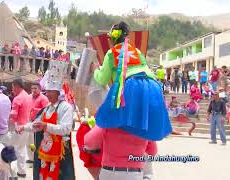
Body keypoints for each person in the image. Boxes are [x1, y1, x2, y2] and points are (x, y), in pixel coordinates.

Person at [89, 21, 171, 179]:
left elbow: (102, 78)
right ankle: (145, 166)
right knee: (142, 126)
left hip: (131, 86)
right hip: (153, 87)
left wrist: (95, 70)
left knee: (115, 120)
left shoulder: (112, 53)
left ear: (113, 38)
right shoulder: (137, 51)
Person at [17, 62, 75, 180]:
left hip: (60, 153)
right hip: (46, 150)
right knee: (43, 175)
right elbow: (37, 124)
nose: (47, 94)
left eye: (50, 92)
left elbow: (66, 129)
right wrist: (24, 127)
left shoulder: (66, 108)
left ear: (58, 93)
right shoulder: (47, 108)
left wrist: (46, 125)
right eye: (46, 91)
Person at [9, 78, 31, 178]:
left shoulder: (17, 99)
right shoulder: (28, 96)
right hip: (26, 125)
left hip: (18, 126)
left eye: (13, 87)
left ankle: (12, 173)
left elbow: (13, 116)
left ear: (17, 86)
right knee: (21, 149)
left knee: (12, 149)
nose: (12, 89)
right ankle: (21, 171)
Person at [27, 82, 49, 163]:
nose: (33, 90)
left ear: (39, 89)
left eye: (35, 88)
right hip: (29, 121)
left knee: (37, 141)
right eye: (32, 88)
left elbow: (46, 110)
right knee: (29, 141)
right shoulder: (29, 97)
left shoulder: (43, 98)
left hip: (38, 124)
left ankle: (37, 157)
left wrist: (34, 109)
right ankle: (31, 157)